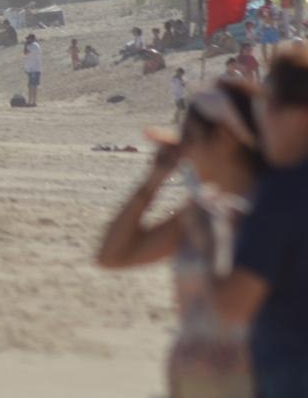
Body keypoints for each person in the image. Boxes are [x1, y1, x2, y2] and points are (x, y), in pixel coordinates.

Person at [97, 81, 262, 398]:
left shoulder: (269, 213)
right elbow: (113, 255)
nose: (182, 149)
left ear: (225, 138)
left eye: (190, 138)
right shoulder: (200, 213)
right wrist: (156, 177)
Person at [211, 52, 308, 394]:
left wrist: (222, 240)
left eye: (270, 107)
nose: (262, 121)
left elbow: (233, 304)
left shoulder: (282, 191)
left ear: (300, 114)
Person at [23, 33, 42, 107]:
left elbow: (25, 52)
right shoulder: (32, 45)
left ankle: (33, 102)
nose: (27, 40)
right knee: (31, 86)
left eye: (28, 39)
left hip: (34, 69)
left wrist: (25, 45)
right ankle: (31, 102)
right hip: (32, 69)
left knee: (33, 86)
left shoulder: (34, 45)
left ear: (32, 38)